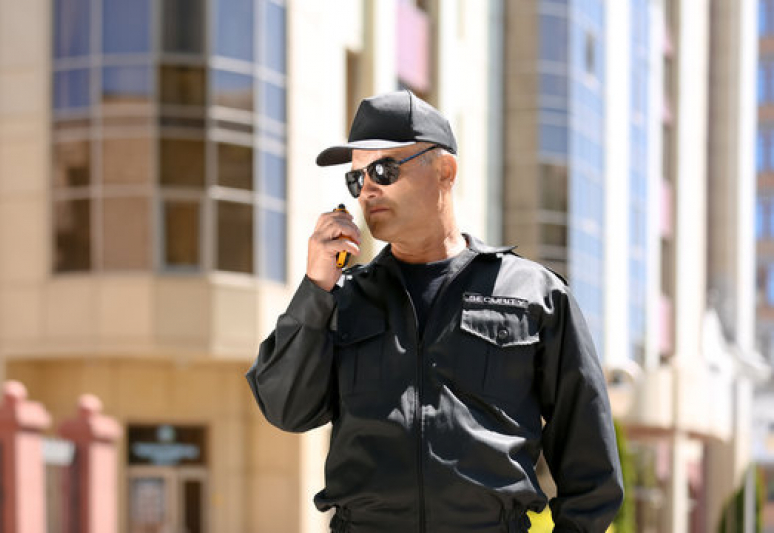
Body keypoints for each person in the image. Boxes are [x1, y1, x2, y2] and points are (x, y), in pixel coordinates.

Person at [246, 90, 623, 533]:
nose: (367, 189)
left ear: (445, 171)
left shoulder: (534, 294)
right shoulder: (341, 297)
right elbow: (285, 408)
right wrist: (315, 290)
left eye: (383, 170)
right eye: (356, 179)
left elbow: (592, 469)